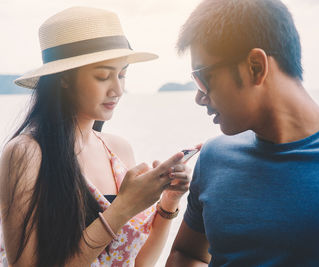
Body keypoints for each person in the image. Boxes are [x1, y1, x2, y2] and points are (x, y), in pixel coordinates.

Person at [166, 0, 319, 266]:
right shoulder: (213, 158)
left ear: (256, 66)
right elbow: (187, 254)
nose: (199, 98)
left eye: (202, 78)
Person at [0, 7, 193, 267]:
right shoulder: (27, 154)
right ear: (65, 79)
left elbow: (137, 262)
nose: (118, 89)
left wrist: (168, 202)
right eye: (103, 76)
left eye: (122, 74)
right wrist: (124, 207)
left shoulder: (118, 150)